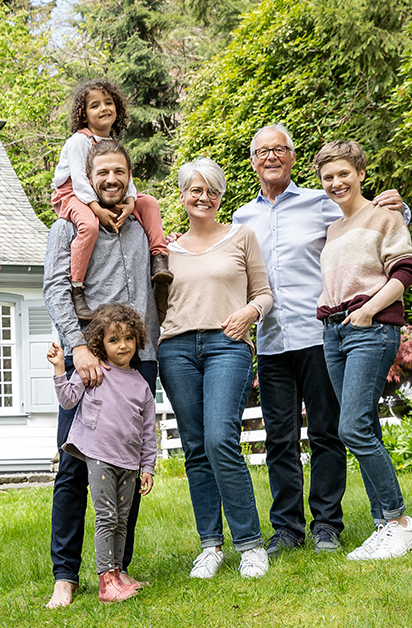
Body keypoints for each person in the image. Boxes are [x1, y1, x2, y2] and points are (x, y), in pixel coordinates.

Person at [232, 124, 408, 558]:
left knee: (329, 433)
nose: (270, 157)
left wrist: (401, 209)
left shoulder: (321, 202)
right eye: (261, 151)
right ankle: (287, 529)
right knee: (280, 440)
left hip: (320, 336)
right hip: (272, 340)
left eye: (279, 149)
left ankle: (327, 525)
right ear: (252, 161)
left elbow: (370, 222)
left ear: (292, 157)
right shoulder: (240, 218)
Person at [42, 139, 161, 608]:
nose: (112, 179)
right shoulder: (66, 228)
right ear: (89, 177)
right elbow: (55, 289)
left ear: (129, 175)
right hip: (87, 358)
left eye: (120, 172)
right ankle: (66, 575)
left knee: (128, 463)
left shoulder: (141, 224)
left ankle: (118, 568)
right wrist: (78, 347)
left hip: (139, 358)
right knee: (73, 467)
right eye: (103, 172)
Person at [158, 157, 274, 580]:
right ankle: (210, 547)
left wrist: (249, 313)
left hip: (228, 344)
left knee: (219, 439)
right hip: (177, 350)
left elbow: (264, 293)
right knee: (195, 448)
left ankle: (249, 545)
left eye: (211, 190)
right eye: (195, 190)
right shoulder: (166, 249)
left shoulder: (242, 236)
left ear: (220, 196)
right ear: (184, 196)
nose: (202, 197)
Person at [313, 140, 412, 560]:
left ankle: (398, 521)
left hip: (369, 328)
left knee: (352, 427)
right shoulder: (334, 228)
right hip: (334, 332)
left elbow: (405, 269)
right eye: (328, 177)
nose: (336, 182)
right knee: (365, 427)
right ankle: (383, 526)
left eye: (343, 173)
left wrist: (369, 311)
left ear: (360, 173)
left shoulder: (384, 215)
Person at [47, 303, 157, 602]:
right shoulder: (96, 372)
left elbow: (148, 430)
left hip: (129, 462)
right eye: (114, 339)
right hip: (99, 456)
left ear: (138, 341)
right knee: (106, 517)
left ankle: (118, 573)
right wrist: (60, 368)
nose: (123, 345)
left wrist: (148, 466)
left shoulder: (141, 385)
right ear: (100, 344)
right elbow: (68, 401)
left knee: (122, 519)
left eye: (129, 338)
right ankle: (106, 582)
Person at [51, 79, 170, 320]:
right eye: (95, 105)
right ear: (83, 115)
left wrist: (131, 202)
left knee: (150, 203)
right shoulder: (78, 141)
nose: (103, 108)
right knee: (89, 226)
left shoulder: (112, 144)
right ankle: (77, 287)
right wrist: (97, 209)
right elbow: (79, 181)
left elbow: (127, 179)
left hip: (98, 194)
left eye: (108, 102)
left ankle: (159, 259)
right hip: (72, 194)